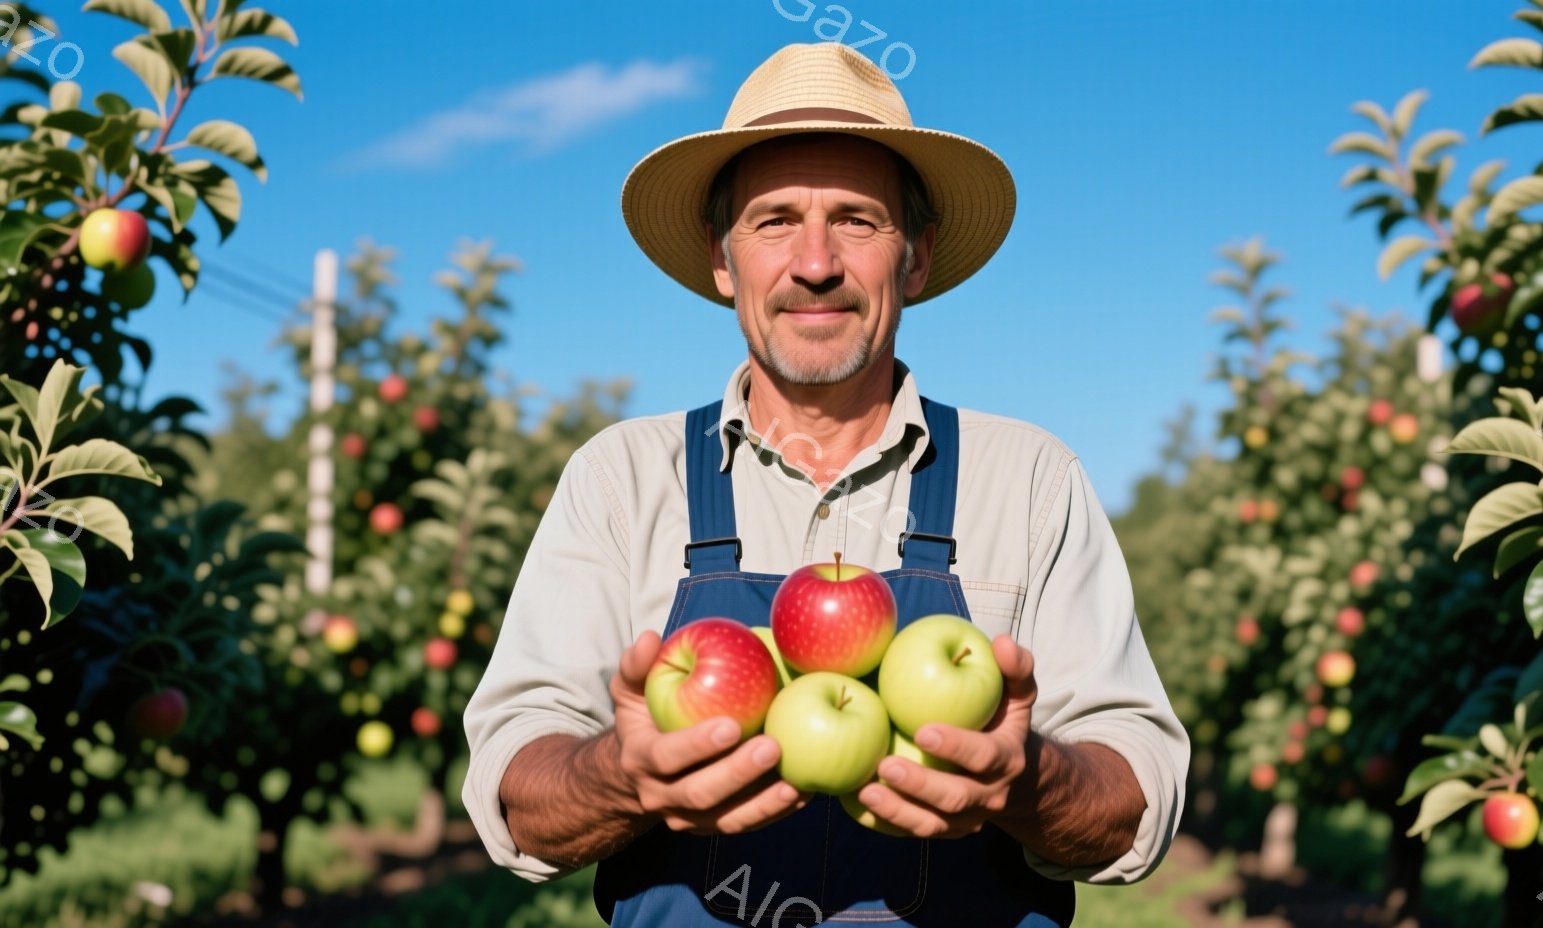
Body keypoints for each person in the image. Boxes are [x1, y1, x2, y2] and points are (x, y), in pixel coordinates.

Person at [462, 42, 1189, 927]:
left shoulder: (1028, 478)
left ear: (915, 260)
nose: (814, 262)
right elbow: (515, 792)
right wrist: (620, 777)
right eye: (773, 221)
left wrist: (1025, 781)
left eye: (855, 219)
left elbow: (1134, 804)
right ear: (724, 261)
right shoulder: (622, 479)